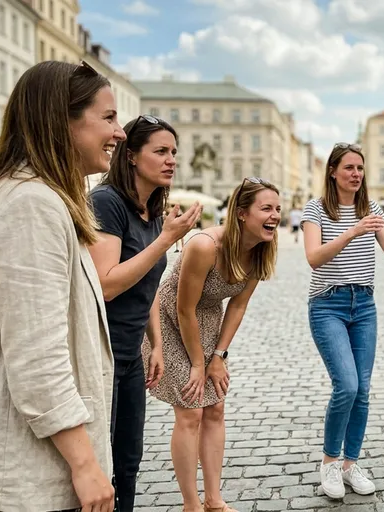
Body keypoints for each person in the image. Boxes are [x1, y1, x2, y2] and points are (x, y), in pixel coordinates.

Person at [0, 60, 125, 511]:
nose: (119, 132)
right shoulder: (31, 205)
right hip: (30, 482)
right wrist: (86, 466)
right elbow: (37, 361)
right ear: (60, 121)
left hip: (28, 474)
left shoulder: (30, 197)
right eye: (107, 118)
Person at [143, 177, 281, 512]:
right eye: (266, 208)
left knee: (215, 408)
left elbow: (238, 305)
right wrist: (197, 364)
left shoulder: (262, 247)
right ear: (241, 214)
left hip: (207, 324)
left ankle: (214, 500)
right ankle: (191, 505)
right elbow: (182, 308)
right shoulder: (205, 246)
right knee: (191, 412)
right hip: (170, 323)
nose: (275, 215)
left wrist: (218, 356)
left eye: (278, 208)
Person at [88, 114, 202, 512]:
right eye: (161, 151)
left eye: (174, 152)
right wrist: (168, 239)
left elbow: (147, 285)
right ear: (132, 155)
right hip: (99, 354)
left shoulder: (152, 208)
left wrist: (154, 343)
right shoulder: (107, 202)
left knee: (129, 460)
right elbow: (106, 283)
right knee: (100, 461)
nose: (171, 159)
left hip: (131, 353)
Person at [302, 142, 384, 500]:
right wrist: (352, 230)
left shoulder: (372, 208)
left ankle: (351, 465)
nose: (356, 174)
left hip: (364, 305)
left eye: (360, 168)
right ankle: (329, 464)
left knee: (363, 390)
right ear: (333, 172)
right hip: (328, 305)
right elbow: (313, 258)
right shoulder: (316, 209)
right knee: (347, 386)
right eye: (349, 168)